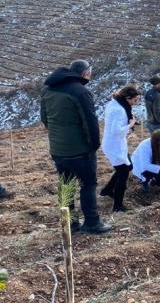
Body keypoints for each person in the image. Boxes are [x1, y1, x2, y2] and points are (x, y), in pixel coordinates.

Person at [40, 59, 111, 234]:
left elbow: (44, 119)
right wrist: (93, 145)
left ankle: (69, 223)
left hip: (57, 150)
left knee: (66, 185)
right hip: (80, 150)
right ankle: (92, 223)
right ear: (85, 73)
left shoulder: (48, 90)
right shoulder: (80, 91)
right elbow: (90, 122)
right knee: (88, 185)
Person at [99, 86, 141, 212]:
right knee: (123, 172)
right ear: (127, 98)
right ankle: (118, 206)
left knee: (128, 166)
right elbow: (116, 130)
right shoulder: (119, 109)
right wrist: (130, 125)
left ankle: (107, 190)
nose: (135, 103)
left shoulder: (116, 104)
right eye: (134, 100)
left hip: (116, 143)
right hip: (114, 145)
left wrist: (129, 122)